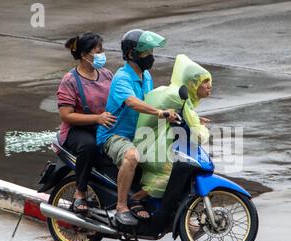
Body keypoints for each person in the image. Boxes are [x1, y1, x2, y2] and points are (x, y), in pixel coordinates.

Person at [96, 29, 178, 226]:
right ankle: (121, 206)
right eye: (145, 52)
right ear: (131, 54)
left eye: (151, 52)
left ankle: (143, 199)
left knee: (172, 158)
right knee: (132, 156)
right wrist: (160, 113)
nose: (150, 56)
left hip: (139, 134)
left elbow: (154, 100)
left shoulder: (146, 76)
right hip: (114, 135)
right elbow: (132, 102)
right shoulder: (122, 77)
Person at [133, 54, 212, 199]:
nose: (209, 85)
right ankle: (136, 199)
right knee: (172, 175)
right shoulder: (179, 97)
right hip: (149, 148)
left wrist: (194, 120)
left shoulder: (171, 91)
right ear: (192, 84)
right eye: (204, 81)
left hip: (148, 142)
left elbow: (184, 117)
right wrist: (204, 128)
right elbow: (198, 136)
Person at [57, 32, 116, 213]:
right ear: (84, 54)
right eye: (98, 51)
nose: (102, 55)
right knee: (89, 146)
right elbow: (66, 115)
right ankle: (80, 192)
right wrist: (97, 118)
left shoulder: (106, 74)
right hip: (77, 130)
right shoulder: (70, 80)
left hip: (104, 127)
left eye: (102, 50)